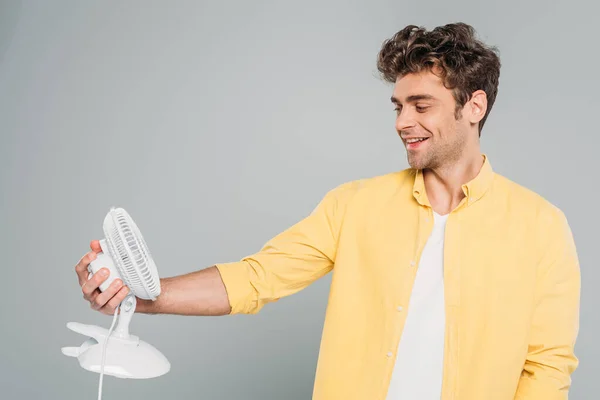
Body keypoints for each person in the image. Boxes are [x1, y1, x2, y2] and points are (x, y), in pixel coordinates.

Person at [74, 22, 580, 400]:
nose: (404, 121)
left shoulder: (541, 226)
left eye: (421, 105)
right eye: (397, 106)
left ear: (474, 106)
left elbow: (547, 367)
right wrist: (142, 297)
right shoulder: (354, 204)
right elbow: (257, 278)